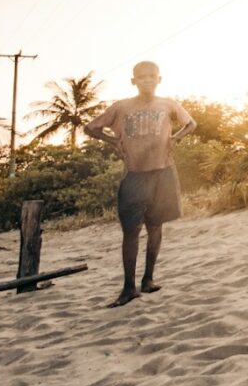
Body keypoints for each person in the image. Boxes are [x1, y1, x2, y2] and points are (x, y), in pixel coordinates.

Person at [84, 61, 195, 308]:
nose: (147, 80)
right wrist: (113, 141)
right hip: (135, 175)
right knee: (131, 231)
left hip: (163, 172)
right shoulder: (122, 107)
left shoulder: (168, 104)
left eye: (151, 77)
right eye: (142, 77)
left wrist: (174, 138)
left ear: (159, 79)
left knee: (156, 226)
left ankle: (148, 279)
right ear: (133, 81)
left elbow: (191, 123)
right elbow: (90, 127)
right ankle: (128, 287)